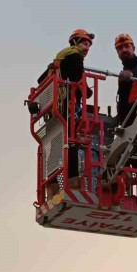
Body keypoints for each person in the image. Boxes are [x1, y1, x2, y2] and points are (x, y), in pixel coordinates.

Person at [40, 29, 94, 197]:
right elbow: (78, 81)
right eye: (85, 43)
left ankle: (52, 185)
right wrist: (88, 91)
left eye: (89, 44)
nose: (87, 47)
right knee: (72, 141)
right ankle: (72, 183)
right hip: (67, 105)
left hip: (54, 108)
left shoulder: (60, 58)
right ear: (76, 42)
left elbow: (41, 80)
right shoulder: (75, 56)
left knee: (55, 144)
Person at [114, 33, 137, 127]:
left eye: (127, 46)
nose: (124, 50)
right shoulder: (124, 71)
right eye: (120, 48)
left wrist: (131, 74)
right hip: (125, 119)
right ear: (117, 52)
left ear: (133, 48)